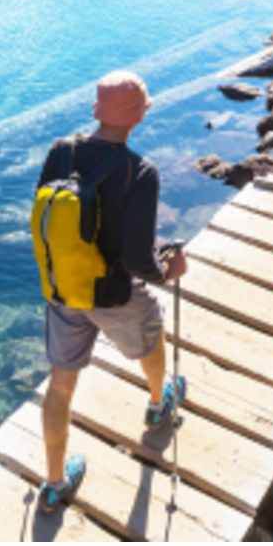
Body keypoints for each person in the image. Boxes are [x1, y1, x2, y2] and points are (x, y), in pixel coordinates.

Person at [34, 69, 188, 514]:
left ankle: (54, 482)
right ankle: (160, 403)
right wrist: (168, 270)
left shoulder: (60, 152)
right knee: (151, 334)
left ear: (97, 111)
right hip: (114, 296)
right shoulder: (140, 171)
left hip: (63, 290)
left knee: (60, 387)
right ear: (138, 117)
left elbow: (52, 220)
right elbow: (139, 259)